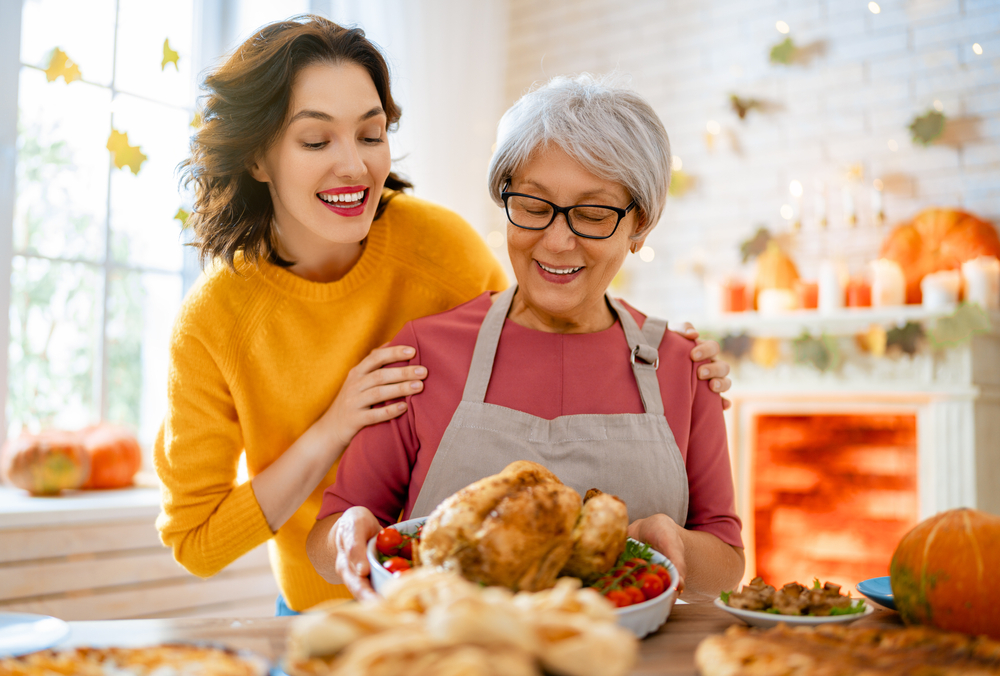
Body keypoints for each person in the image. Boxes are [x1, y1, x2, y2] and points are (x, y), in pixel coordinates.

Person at [154, 16, 732, 615]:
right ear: (258, 159)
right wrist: (335, 426)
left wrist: (677, 362)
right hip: (338, 603)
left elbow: (536, 318)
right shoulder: (214, 321)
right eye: (316, 140)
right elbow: (197, 542)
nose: (352, 167)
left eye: (370, 133)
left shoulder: (439, 248)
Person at [307, 73, 745, 603]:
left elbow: (725, 560)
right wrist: (346, 532)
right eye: (534, 207)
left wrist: (672, 545)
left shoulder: (682, 365)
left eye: (593, 214)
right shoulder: (427, 351)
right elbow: (333, 530)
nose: (557, 241)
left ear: (640, 226)